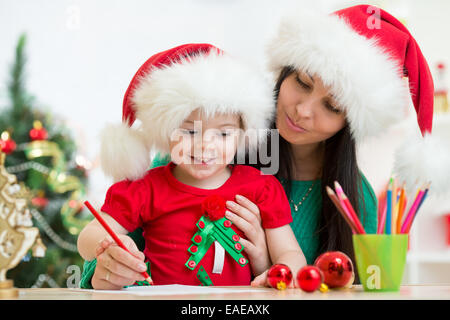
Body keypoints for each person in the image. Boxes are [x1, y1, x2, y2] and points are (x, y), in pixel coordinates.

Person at [77, 43, 306, 289]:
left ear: (242, 136)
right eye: (189, 131)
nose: (205, 146)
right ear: (166, 132)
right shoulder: (145, 187)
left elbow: (292, 255)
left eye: (224, 135)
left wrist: (283, 271)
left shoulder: (261, 188)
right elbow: (86, 239)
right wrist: (113, 246)